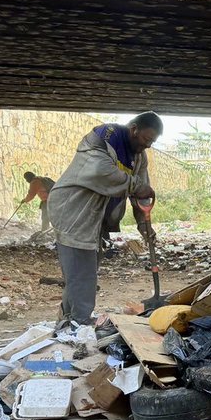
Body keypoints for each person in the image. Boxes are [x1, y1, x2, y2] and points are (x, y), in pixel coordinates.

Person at [47, 112, 162, 326]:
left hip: (95, 217)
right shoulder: (102, 138)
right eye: (146, 139)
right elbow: (101, 172)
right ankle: (80, 321)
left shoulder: (138, 156)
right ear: (134, 129)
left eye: (152, 142)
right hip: (74, 211)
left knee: (82, 270)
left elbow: (142, 194)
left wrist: (144, 225)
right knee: (82, 268)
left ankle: (68, 319)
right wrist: (137, 186)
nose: (147, 145)